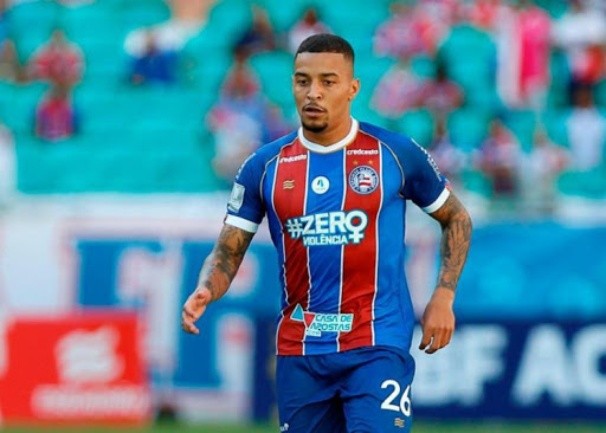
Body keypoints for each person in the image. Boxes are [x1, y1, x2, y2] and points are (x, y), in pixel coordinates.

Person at [181, 34, 472, 433]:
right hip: (301, 348)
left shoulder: (395, 153)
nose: (313, 92)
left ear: (352, 88)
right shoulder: (263, 167)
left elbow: (456, 218)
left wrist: (444, 295)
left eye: (328, 82)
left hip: (376, 342)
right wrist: (207, 287)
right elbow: (228, 250)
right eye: (303, 81)